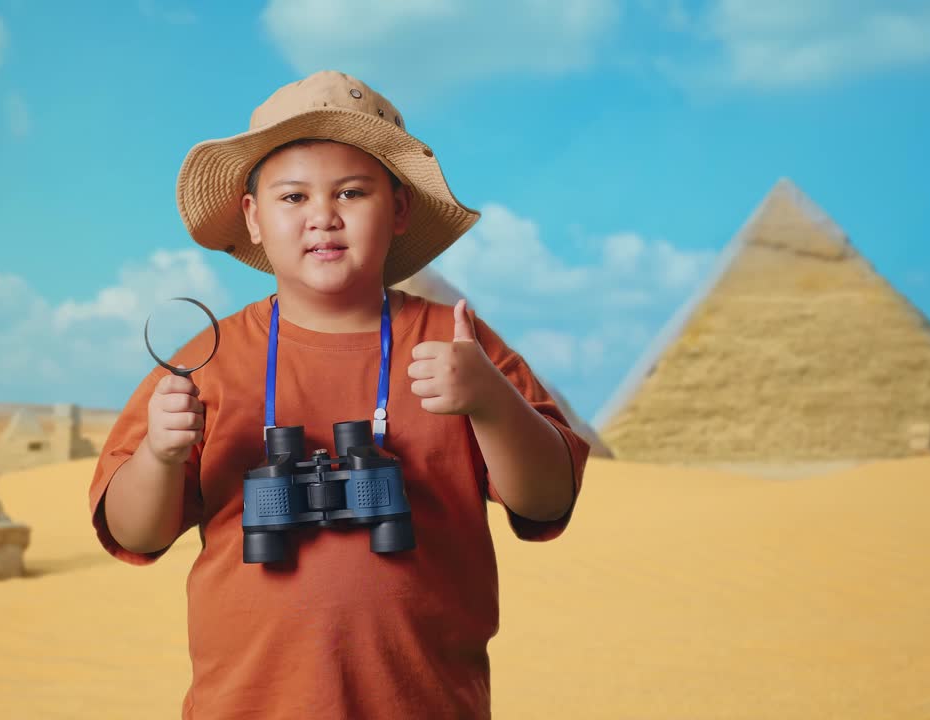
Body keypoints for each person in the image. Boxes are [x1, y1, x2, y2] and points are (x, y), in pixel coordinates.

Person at [89, 70, 590, 719]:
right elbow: (135, 534)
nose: (323, 216)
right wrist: (159, 454)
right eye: (293, 197)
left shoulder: (459, 344)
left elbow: (547, 500)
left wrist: (491, 402)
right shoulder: (205, 362)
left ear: (400, 209)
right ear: (254, 218)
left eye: (352, 192)